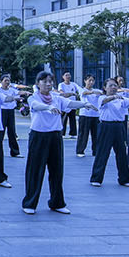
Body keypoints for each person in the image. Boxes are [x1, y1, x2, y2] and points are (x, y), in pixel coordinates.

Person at [23, 71, 79, 215]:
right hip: (38, 137)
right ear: (38, 83)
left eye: (50, 81)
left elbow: (70, 103)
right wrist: (48, 107)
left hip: (55, 136)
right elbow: (36, 105)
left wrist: (85, 104)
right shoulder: (33, 97)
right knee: (35, 170)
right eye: (44, 81)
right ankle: (30, 203)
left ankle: (57, 202)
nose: (48, 84)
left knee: (56, 170)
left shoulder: (56, 97)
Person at [88, 78, 129, 187]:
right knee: (102, 152)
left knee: (122, 153)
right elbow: (104, 102)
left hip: (119, 126)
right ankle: (96, 178)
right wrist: (113, 97)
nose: (114, 87)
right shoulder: (102, 98)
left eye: (115, 86)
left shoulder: (121, 99)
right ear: (105, 88)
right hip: (106, 126)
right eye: (111, 85)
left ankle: (125, 179)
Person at [74, 75, 101, 158]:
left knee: (96, 135)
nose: (91, 82)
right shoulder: (82, 89)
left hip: (95, 115)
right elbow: (83, 93)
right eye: (89, 80)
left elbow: (102, 93)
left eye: (93, 80)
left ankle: (96, 151)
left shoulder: (97, 91)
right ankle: (80, 151)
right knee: (83, 134)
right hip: (85, 115)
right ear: (85, 81)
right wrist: (93, 92)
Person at [0, 75, 23, 158]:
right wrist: (15, 98)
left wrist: (25, 92)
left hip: (10, 111)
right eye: (5, 80)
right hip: (2, 111)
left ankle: (15, 152)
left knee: (12, 131)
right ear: (1, 81)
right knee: (1, 132)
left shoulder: (12, 90)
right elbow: (6, 98)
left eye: (8, 81)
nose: (7, 82)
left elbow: (19, 93)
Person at [56, 72, 80, 139]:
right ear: (63, 77)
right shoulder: (61, 84)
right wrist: (69, 94)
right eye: (66, 75)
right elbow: (61, 92)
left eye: (69, 75)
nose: (68, 76)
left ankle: (73, 134)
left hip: (72, 104)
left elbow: (79, 89)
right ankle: (62, 133)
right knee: (64, 119)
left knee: (72, 119)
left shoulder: (73, 84)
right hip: (64, 105)